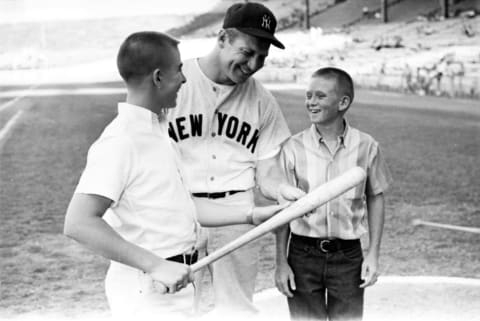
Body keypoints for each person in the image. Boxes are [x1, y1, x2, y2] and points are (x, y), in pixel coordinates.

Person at [63, 31, 287, 320]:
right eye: (178, 70)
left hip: (177, 284)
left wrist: (251, 214)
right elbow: (78, 222)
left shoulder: (160, 132)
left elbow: (185, 207)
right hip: (148, 290)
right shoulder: (121, 140)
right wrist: (155, 265)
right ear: (158, 77)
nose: (184, 79)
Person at [166, 1, 305, 316]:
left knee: (238, 310)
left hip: (238, 214)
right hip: (178, 212)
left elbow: (268, 171)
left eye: (262, 57)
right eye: (247, 52)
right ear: (222, 38)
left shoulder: (262, 101)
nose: (254, 64)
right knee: (176, 309)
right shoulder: (175, 84)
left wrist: (280, 189)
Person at [274, 67, 393, 321]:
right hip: (302, 255)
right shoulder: (293, 148)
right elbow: (283, 211)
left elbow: (376, 197)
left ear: (343, 102)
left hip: (348, 257)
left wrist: (373, 252)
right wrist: (281, 262)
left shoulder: (367, 146)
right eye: (308, 95)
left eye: (319, 96)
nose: (310, 102)